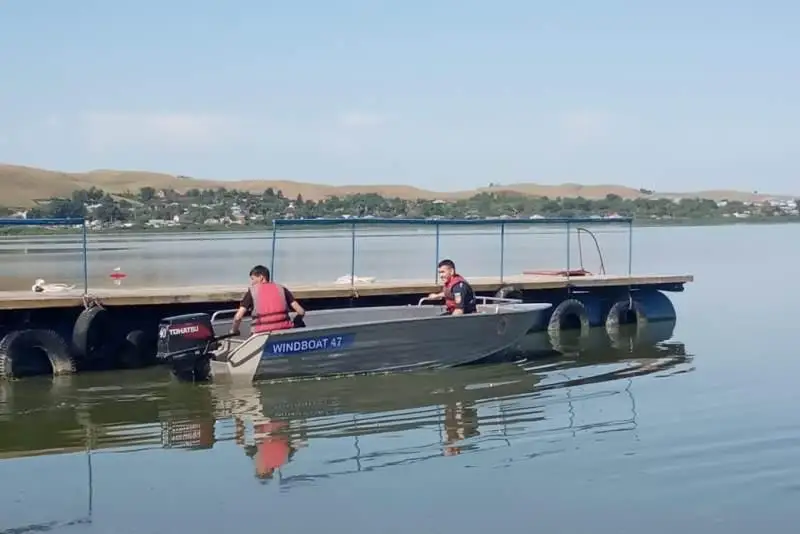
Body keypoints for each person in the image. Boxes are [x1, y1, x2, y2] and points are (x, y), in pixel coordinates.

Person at [231, 265, 306, 335]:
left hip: (260, 335)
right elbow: (301, 311)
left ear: (261, 277)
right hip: (284, 331)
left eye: (252, 279)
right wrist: (297, 321)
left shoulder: (252, 292)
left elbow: (238, 317)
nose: (251, 282)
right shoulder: (281, 289)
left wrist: (234, 331)